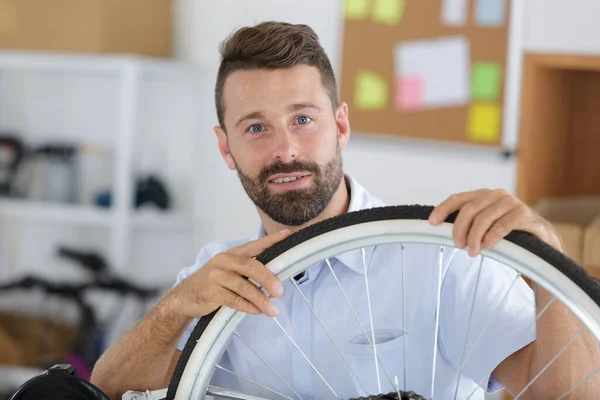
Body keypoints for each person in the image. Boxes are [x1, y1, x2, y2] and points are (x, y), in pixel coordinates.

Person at [90, 22, 600, 399]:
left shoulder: (438, 256)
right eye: (255, 128)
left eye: (303, 119)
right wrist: (179, 304)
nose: (285, 149)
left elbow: (571, 397)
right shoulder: (216, 273)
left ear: (341, 126)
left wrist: (548, 264)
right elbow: (107, 388)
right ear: (225, 148)